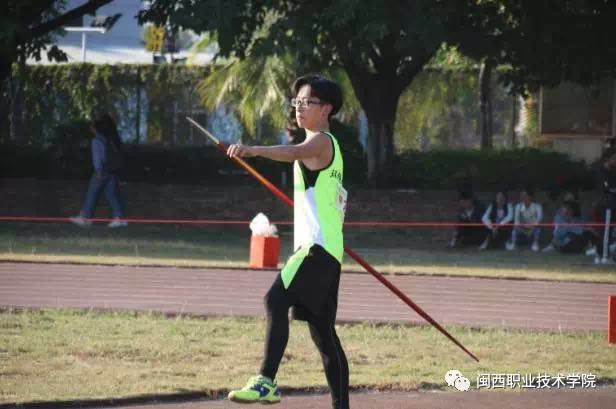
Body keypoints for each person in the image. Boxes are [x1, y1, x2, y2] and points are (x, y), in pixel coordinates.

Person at [226, 75, 349, 408]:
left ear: (326, 109)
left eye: (307, 102)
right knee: (324, 334)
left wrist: (253, 150)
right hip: (328, 250)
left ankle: (266, 381)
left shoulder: (321, 142)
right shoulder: (329, 149)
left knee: (274, 301)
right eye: (297, 102)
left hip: (315, 249)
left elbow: (294, 151)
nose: (299, 107)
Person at [70, 113, 127, 228]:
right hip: (111, 170)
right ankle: (119, 218)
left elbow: (97, 158)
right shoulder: (109, 139)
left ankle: (85, 218)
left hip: (101, 170)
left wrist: (98, 171)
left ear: (96, 128)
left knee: (92, 193)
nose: (90, 127)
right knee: (111, 194)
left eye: (92, 126)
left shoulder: (96, 141)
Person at [507, 187, 543, 252]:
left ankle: (535, 243)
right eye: (522, 195)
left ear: (530, 197)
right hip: (522, 227)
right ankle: (513, 243)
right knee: (514, 228)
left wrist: (532, 229)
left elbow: (539, 219)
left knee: (538, 228)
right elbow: (516, 221)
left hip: (533, 227)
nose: (523, 197)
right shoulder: (518, 206)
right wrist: (524, 230)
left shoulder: (537, 206)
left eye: (525, 195)